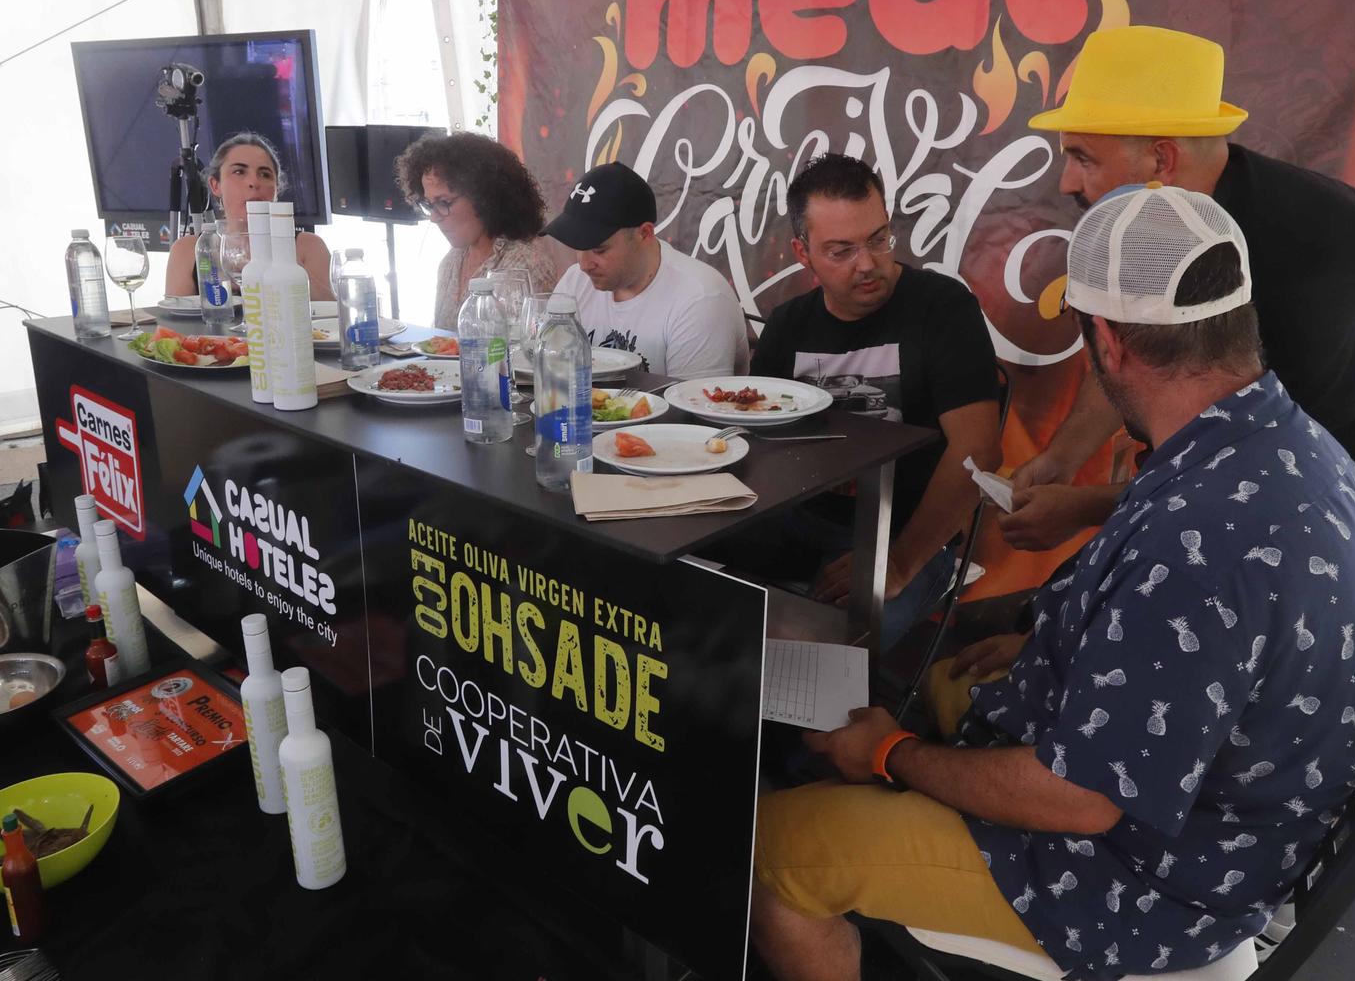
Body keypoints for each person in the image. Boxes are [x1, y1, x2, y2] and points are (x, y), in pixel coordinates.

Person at [716, 185, 1355, 981]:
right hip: (1226, 809)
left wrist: (890, 753)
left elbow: (1081, 798)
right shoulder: (1274, 436)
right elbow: (1191, 572)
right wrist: (1062, 624)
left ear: (1108, 342)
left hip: (1152, 875)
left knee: (775, 847)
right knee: (917, 671)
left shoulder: (1196, 558)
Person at [1004, 25, 1355, 633]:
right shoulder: (1172, 219)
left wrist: (1088, 508)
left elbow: (1276, 476)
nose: (1066, 183)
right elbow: (1127, 351)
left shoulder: (1309, 249)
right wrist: (1064, 459)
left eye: (1082, 157)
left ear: (1162, 158)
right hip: (1329, 441)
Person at [743, 153, 1002, 649]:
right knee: (689, 602)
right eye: (840, 251)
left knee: (821, 661)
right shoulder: (787, 325)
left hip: (907, 536)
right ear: (803, 252)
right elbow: (761, 442)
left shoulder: (943, 308)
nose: (867, 264)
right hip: (795, 522)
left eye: (878, 239)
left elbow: (980, 452)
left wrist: (900, 561)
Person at [543, 160, 749, 378]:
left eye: (599, 249)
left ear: (644, 233)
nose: (584, 264)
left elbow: (693, 406)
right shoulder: (575, 282)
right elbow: (547, 371)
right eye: (578, 247)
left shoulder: (700, 299)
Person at [393, 131, 568, 327]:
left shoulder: (527, 264)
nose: (434, 217)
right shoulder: (451, 262)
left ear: (485, 198)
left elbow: (529, 347)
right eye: (429, 204)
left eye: (443, 202)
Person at [166, 132, 334, 301]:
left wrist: (289, 265)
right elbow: (174, 323)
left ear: (277, 189)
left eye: (265, 174)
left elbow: (331, 316)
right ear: (215, 185)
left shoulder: (308, 246)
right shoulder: (187, 251)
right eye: (239, 172)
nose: (254, 182)